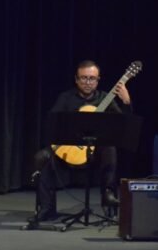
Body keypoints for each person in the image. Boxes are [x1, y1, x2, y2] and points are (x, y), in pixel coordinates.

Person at [31, 60, 132, 222]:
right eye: (83, 78)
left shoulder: (105, 98)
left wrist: (126, 102)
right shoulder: (66, 98)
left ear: (98, 80)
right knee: (42, 156)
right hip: (69, 151)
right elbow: (52, 123)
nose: (87, 82)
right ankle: (46, 207)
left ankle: (108, 196)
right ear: (76, 79)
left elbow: (123, 125)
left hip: (95, 154)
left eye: (92, 78)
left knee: (110, 148)